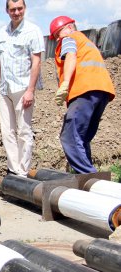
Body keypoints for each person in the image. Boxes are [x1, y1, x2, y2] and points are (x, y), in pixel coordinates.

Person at [50, 16, 115, 174]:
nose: (58, 38)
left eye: (59, 32)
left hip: (84, 89)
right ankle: (87, 180)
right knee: (82, 138)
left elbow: (70, 56)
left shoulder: (70, 38)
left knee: (70, 138)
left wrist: (65, 83)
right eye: (56, 36)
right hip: (101, 91)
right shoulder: (87, 43)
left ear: (70, 27)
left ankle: (92, 180)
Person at [0, 0, 44, 177]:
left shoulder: (33, 31)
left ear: (24, 9)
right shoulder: (3, 32)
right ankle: (13, 169)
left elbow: (36, 61)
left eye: (19, 8)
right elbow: (0, 63)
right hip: (5, 88)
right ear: (7, 10)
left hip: (23, 87)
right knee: (7, 131)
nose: (16, 12)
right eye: (13, 9)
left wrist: (31, 89)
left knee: (24, 130)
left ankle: (23, 171)